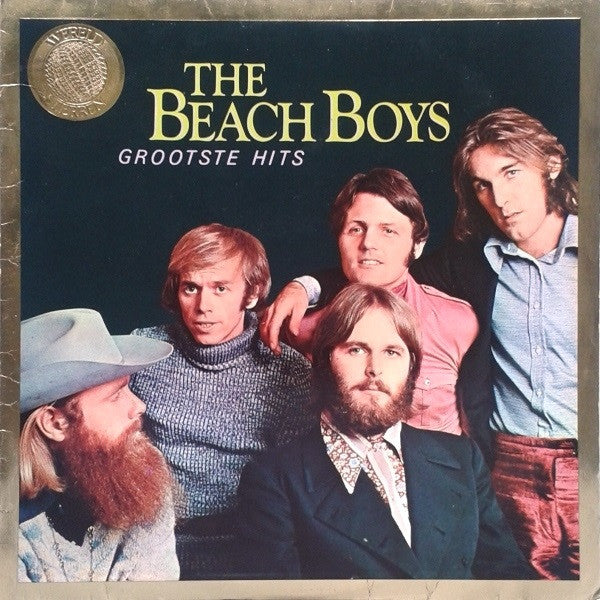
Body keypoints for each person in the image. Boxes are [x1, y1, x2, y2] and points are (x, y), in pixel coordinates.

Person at [262, 108, 578, 580]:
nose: (500, 199)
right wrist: (303, 286)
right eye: (483, 184)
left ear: (551, 164)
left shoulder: (460, 310)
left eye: (511, 173)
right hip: (507, 465)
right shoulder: (474, 262)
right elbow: (378, 269)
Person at [238, 284, 534, 579]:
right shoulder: (273, 478)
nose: (374, 369)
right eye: (356, 350)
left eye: (392, 352)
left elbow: (511, 580)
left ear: (412, 368)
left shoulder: (462, 457)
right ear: (324, 361)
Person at [129, 223, 316, 580]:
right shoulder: (144, 352)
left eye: (220, 288)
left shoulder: (287, 373)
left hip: (246, 550)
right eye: (191, 288)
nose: (203, 306)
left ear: (252, 294)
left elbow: (300, 489)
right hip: (148, 543)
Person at [263, 167, 478, 436]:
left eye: (388, 230)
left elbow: (477, 422)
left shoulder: (457, 321)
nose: (368, 243)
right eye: (355, 229)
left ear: (418, 244)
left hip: (437, 462)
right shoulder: (300, 326)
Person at [18, 308, 179, 582]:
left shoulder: (141, 469)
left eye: (128, 388)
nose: (139, 406)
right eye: (115, 396)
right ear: (54, 423)